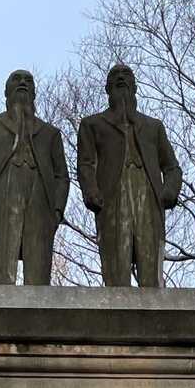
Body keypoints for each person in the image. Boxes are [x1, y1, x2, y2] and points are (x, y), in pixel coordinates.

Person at [76, 64, 182, 287]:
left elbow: (172, 166)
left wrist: (170, 190)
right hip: (112, 198)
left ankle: (153, 309)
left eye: (126, 75)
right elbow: (85, 163)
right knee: (116, 271)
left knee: (151, 274)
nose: (121, 77)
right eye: (115, 76)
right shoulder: (92, 124)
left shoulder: (153, 127)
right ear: (107, 88)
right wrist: (91, 190)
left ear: (135, 87)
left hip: (149, 198)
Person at [0, 69, 69, 285]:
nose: (23, 82)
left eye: (28, 80)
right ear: (7, 91)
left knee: (39, 277)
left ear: (34, 93)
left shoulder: (50, 134)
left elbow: (61, 176)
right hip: (3, 201)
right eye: (17, 79)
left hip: (40, 204)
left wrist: (57, 209)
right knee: (1, 273)